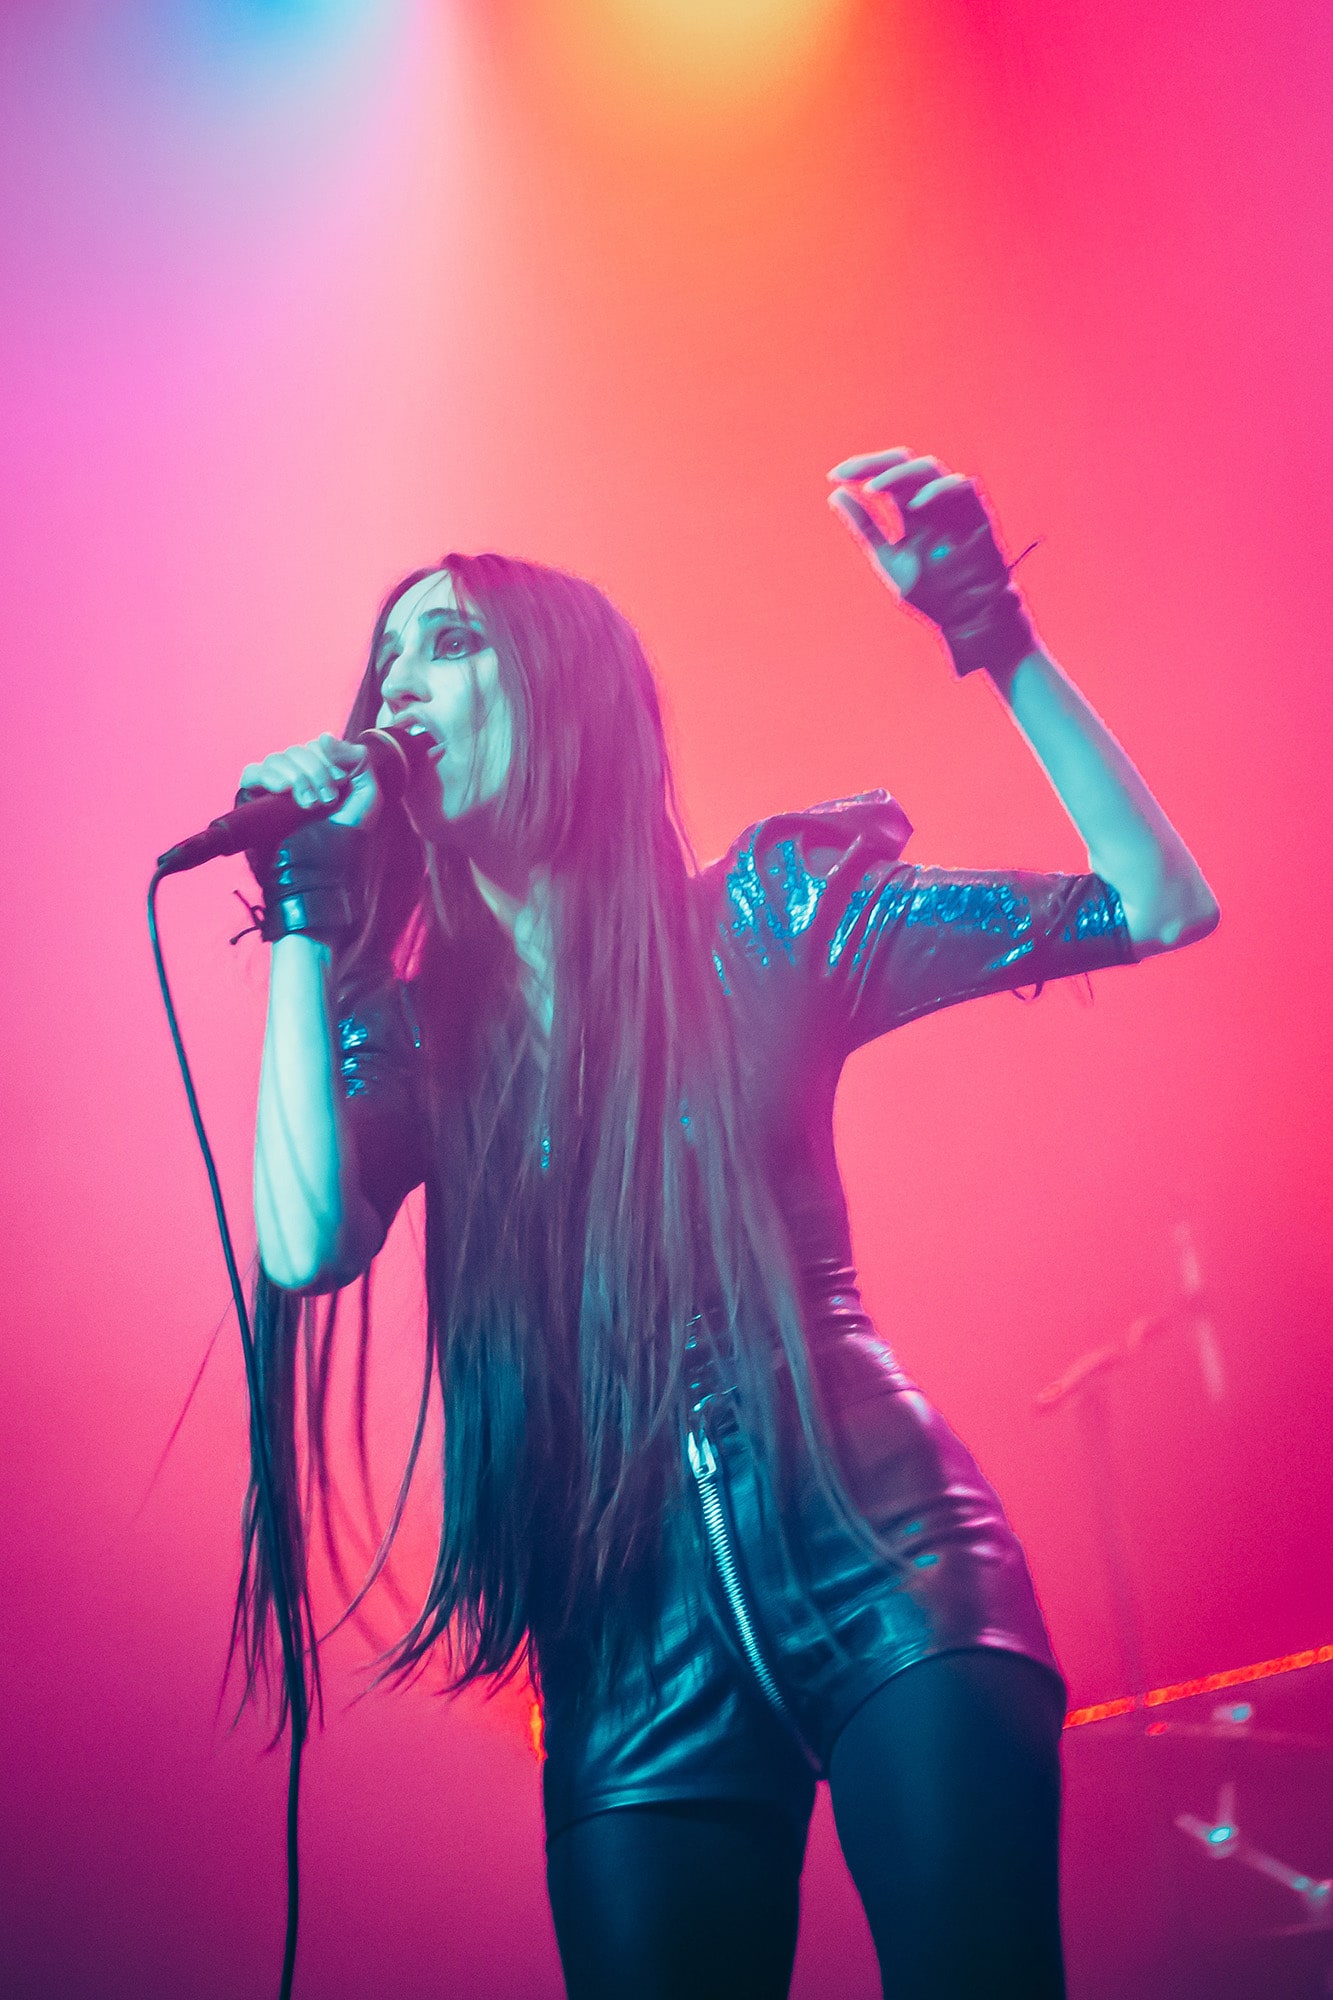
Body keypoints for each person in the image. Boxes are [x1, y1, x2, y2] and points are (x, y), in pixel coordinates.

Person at [237, 448, 1218, 1999]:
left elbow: (1155, 904)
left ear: (563, 698)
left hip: (884, 1562)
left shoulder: (763, 916)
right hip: (625, 1655)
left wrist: (992, 631)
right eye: (385, 659)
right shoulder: (423, 1043)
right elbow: (303, 1243)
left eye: (450, 643)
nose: (396, 688)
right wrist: (303, 908)